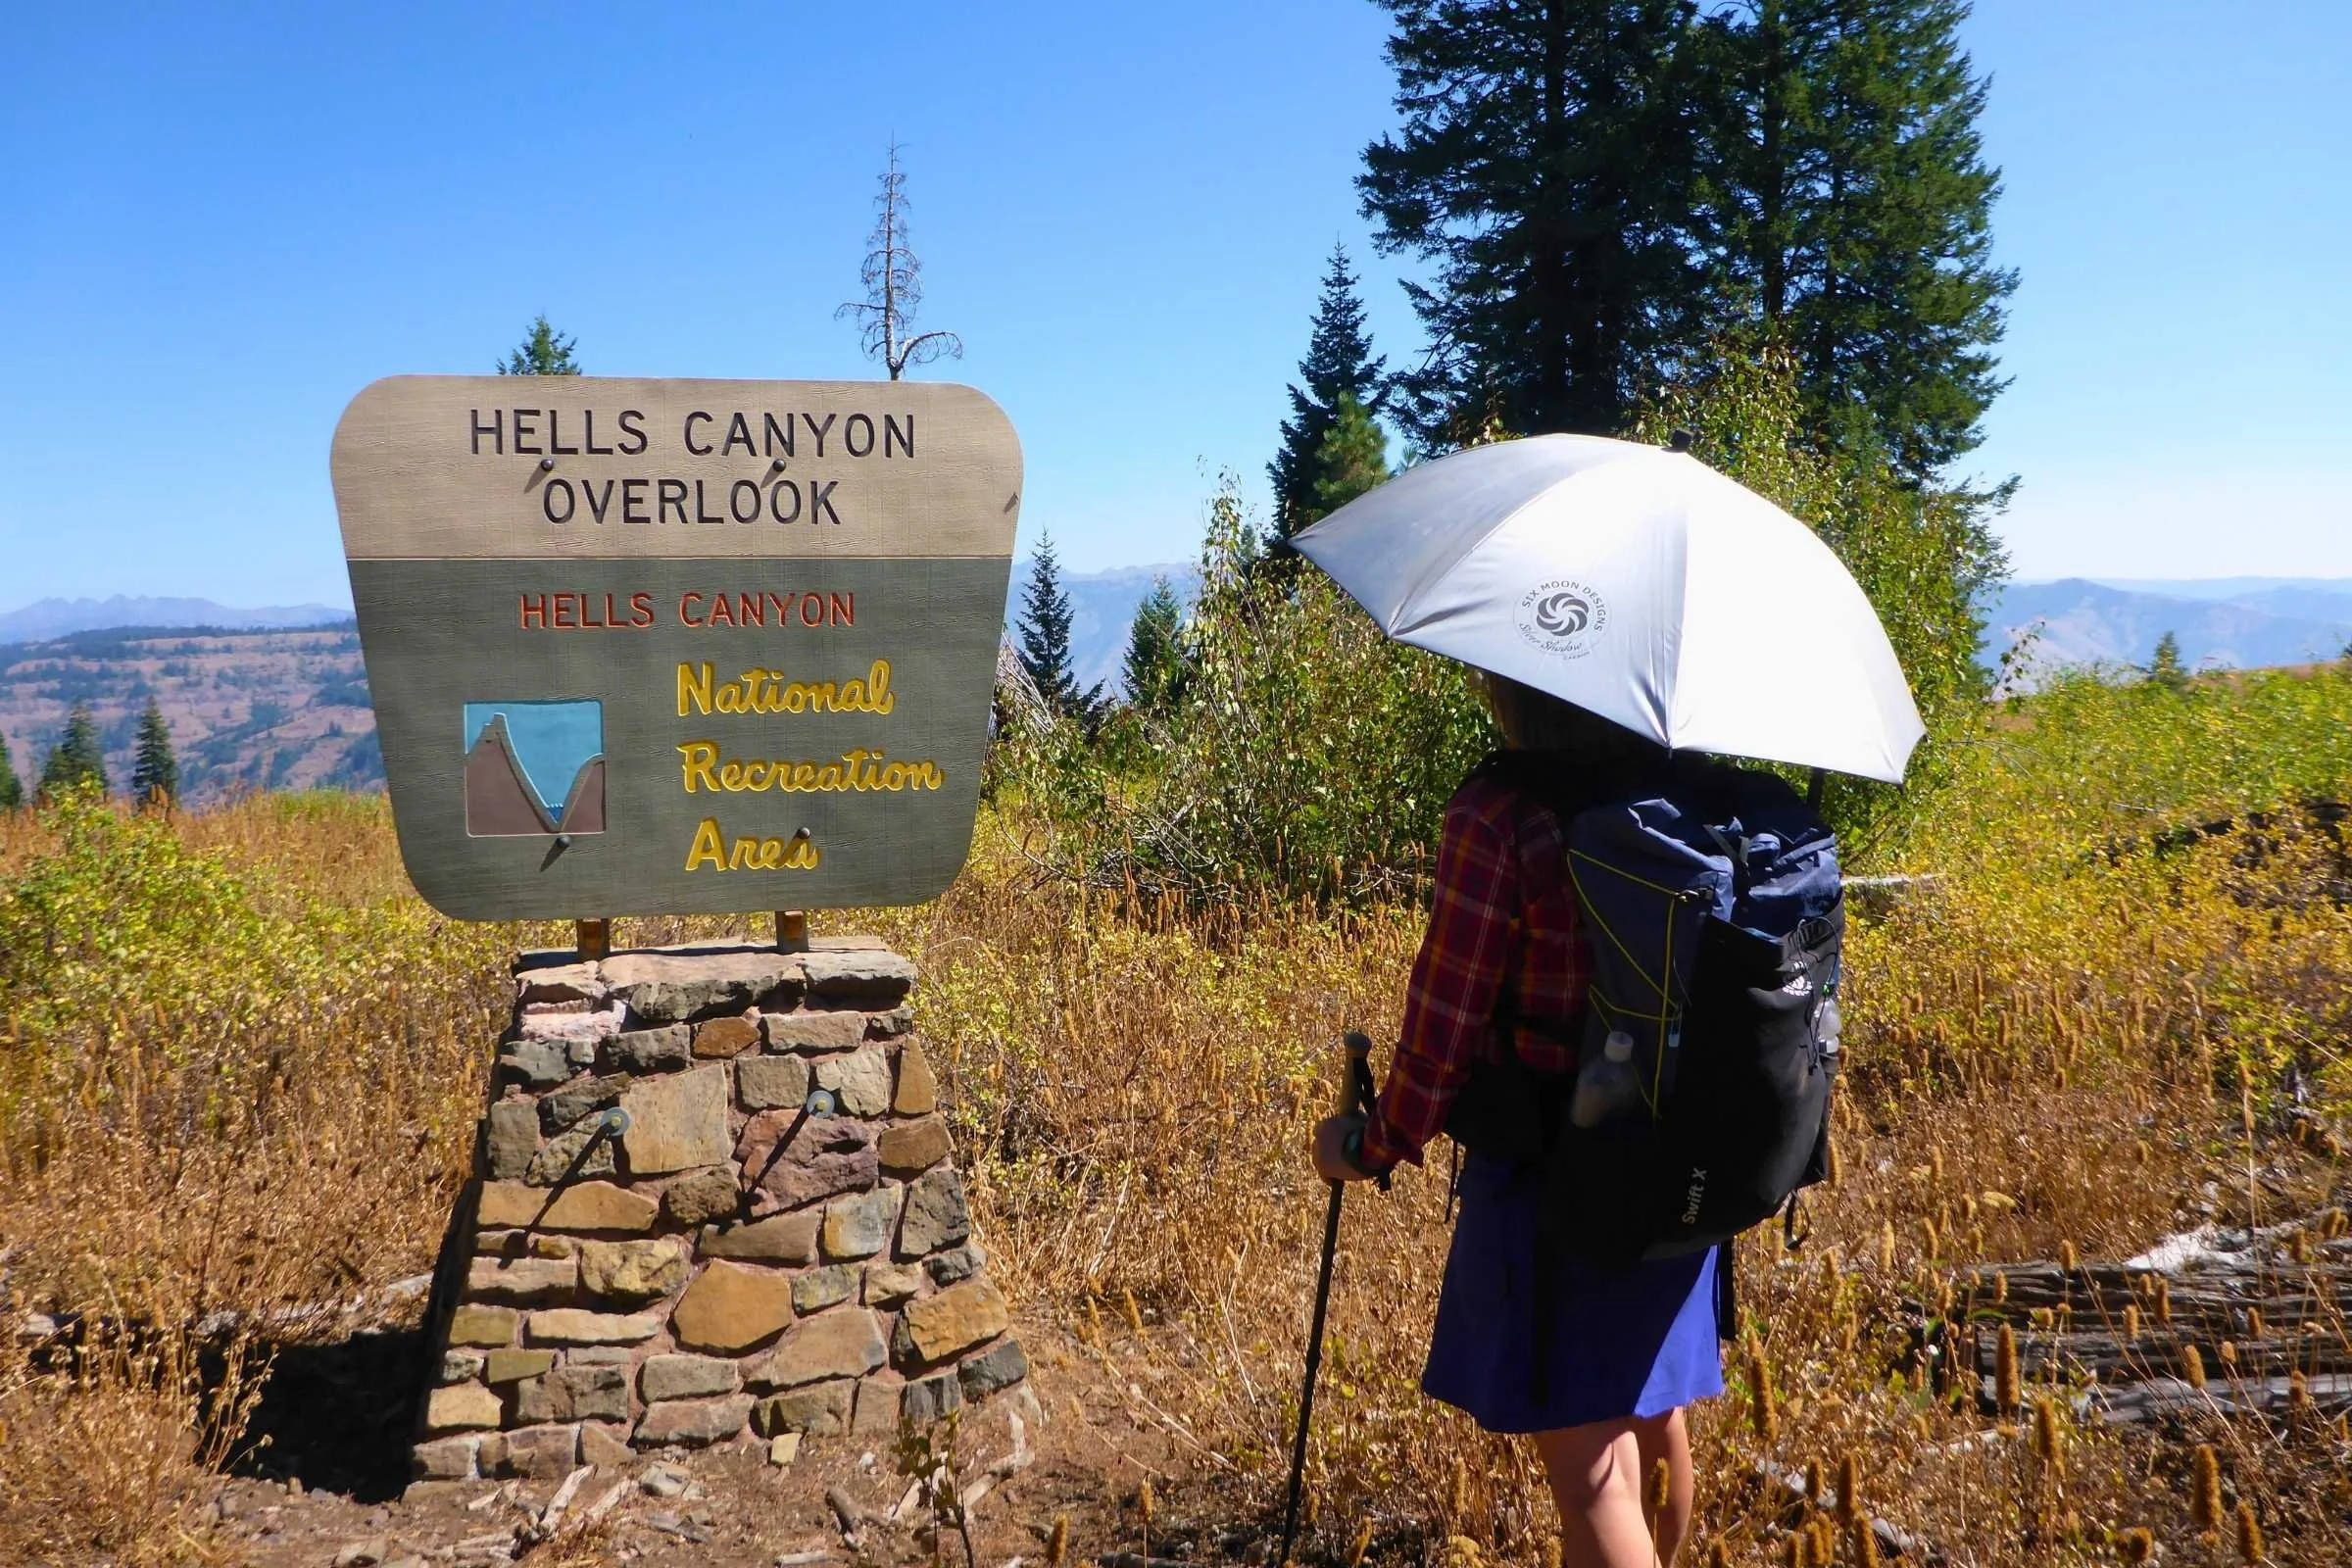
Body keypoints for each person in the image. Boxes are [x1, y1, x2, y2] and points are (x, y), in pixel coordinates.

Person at [1311, 673, 1724, 1568]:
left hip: (1555, 1182)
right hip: (1680, 1168)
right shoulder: (1681, 787)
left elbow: (1444, 1030)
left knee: (1592, 1478)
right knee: (1654, 1419)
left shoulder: (1499, 816)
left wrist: (1366, 1145)